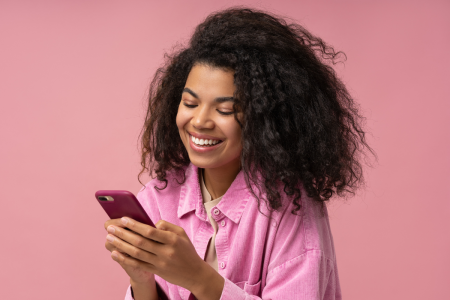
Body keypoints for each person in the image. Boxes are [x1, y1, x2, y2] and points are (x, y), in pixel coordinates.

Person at [103, 7, 371, 300]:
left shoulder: (290, 208)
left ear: (265, 118)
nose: (200, 122)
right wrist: (142, 281)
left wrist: (198, 278)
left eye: (225, 109)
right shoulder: (157, 198)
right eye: (190, 104)